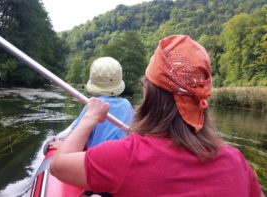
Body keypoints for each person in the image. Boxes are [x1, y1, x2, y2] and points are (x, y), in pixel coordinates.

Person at [50, 35, 264, 197]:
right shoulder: (237, 161)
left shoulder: (128, 156)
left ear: (149, 94)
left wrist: (89, 118)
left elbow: (58, 166)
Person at [52, 56, 133, 149]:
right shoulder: (127, 105)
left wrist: (62, 144)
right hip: (119, 157)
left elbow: (75, 136)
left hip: (94, 159)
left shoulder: (91, 107)